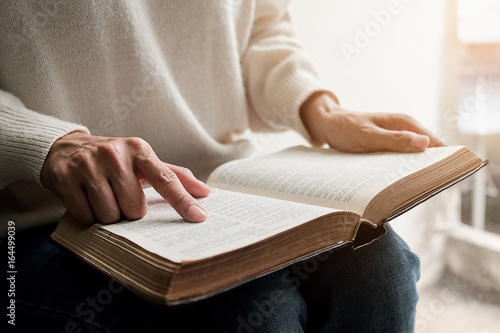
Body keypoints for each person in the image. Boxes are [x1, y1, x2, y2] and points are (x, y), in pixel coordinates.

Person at [0, 1, 442, 332]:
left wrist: (319, 109)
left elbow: (260, 28)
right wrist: (50, 145)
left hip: (223, 191)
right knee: (257, 307)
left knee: (380, 262)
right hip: (45, 219)